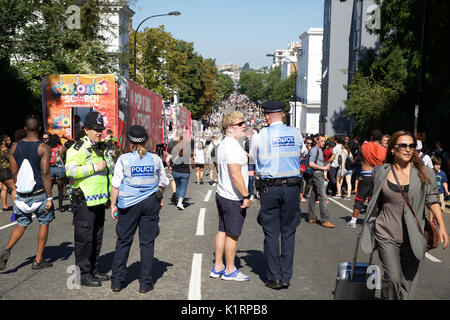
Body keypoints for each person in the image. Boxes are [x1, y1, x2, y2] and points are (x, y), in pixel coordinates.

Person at [360, 131, 449, 300]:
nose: (408, 149)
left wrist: (442, 227)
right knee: (392, 278)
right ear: (393, 149)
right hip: (386, 233)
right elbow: (374, 202)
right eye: (403, 145)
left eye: (411, 146)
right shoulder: (380, 172)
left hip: (414, 234)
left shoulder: (425, 172)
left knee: (407, 284)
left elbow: (433, 200)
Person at [249, 100, 303, 290]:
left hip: (269, 188)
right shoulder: (296, 133)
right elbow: (301, 152)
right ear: (283, 115)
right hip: (292, 188)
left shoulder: (260, 135)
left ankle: (274, 277)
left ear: (266, 116)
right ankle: (286, 276)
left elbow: (253, 158)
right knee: (289, 232)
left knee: (271, 233)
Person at [110, 125, 169, 293]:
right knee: (147, 243)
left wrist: (113, 205)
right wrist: (159, 195)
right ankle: (145, 283)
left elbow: (116, 185)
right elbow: (163, 182)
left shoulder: (124, 159)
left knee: (123, 242)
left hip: (128, 204)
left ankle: (117, 281)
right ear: (146, 140)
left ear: (129, 141)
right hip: (150, 203)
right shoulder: (156, 159)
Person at [65, 111, 114, 287]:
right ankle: (82, 274)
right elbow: (70, 171)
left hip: (99, 200)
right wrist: (94, 167)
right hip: (84, 201)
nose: (99, 132)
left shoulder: (99, 147)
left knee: (96, 237)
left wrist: (108, 196)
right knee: (84, 239)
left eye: (100, 129)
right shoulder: (78, 148)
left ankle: (93, 269)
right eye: (95, 129)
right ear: (86, 129)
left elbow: (107, 173)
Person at [0, 115, 54, 271]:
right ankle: (38, 260)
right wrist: (50, 197)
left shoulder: (15, 147)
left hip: (21, 194)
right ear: (39, 129)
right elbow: (45, 174)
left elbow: (14, 172)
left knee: (21, 223)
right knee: (44, 223)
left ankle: (7, 249)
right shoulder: (43, 148)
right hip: (39, 193)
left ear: (25, 129)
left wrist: (17, 188)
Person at [210, 111, 251, 282]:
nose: (244, 126)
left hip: (222, 193)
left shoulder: (223, 145)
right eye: (240, 124)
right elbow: (235, 174)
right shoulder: (233, 148)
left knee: (222, 230)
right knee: (232, 234)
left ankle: (218, 266)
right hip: (233, 197)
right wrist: (246, 195)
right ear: (230, 128)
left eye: (243, 123)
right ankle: (230, 269)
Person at [347, 129, 386, 228]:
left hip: (366, 175)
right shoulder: (384, 150)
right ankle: (374, 222)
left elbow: (358, 158)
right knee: (375, 199)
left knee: (360, 198)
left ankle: (353, 221)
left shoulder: (365, 146)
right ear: (381, 139)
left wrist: (354, 162)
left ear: (371, 138)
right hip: (378, 176)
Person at [307, 134, 335, 228]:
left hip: (319, 173)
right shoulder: (315, 149)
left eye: (324, 141)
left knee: (313, 195)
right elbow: (311, 163)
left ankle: (311, 217)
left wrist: (324, 168)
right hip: (317, 174)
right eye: (321, 141)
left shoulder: (319, 150)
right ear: (316, 141)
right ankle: (325, 220)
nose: (323, 143)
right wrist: (323, 168)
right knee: (322, 196)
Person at [169, 132, 191, 210]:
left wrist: (170, 167)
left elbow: (171, 159)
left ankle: (178, 199)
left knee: (178, 186)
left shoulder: (174, 148)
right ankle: (180, 201)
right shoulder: (187, 149)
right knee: (183, 187)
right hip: (185, 171)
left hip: (176, 171)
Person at [46, 134, 67, 212]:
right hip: (59, 168)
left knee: (49, 188)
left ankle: (48, 205)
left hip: (50, 168)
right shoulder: (62, 148)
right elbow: (65, 158)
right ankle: (60, 207)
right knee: (60, 188)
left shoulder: (47, 147)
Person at [0, 135, 16, 212]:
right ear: (3, 141)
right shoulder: (5, 150)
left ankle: (4, 206)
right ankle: (16, 206)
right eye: (8, 140)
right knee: (14, 189)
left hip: (1, 172)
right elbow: (11, 159)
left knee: (4, 188)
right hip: (6, 171)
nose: (10, 141)